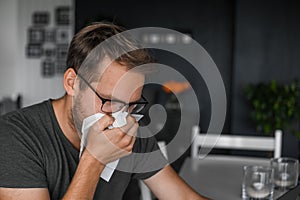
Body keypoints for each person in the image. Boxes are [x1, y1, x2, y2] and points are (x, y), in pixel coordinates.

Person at [0, 22, 208, 200]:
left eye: (131, 104)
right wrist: (94, 160)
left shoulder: (130, 130)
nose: (120, 115)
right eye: (110, 100)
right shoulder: (15, 136)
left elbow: (182, 196)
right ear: (72, 83)